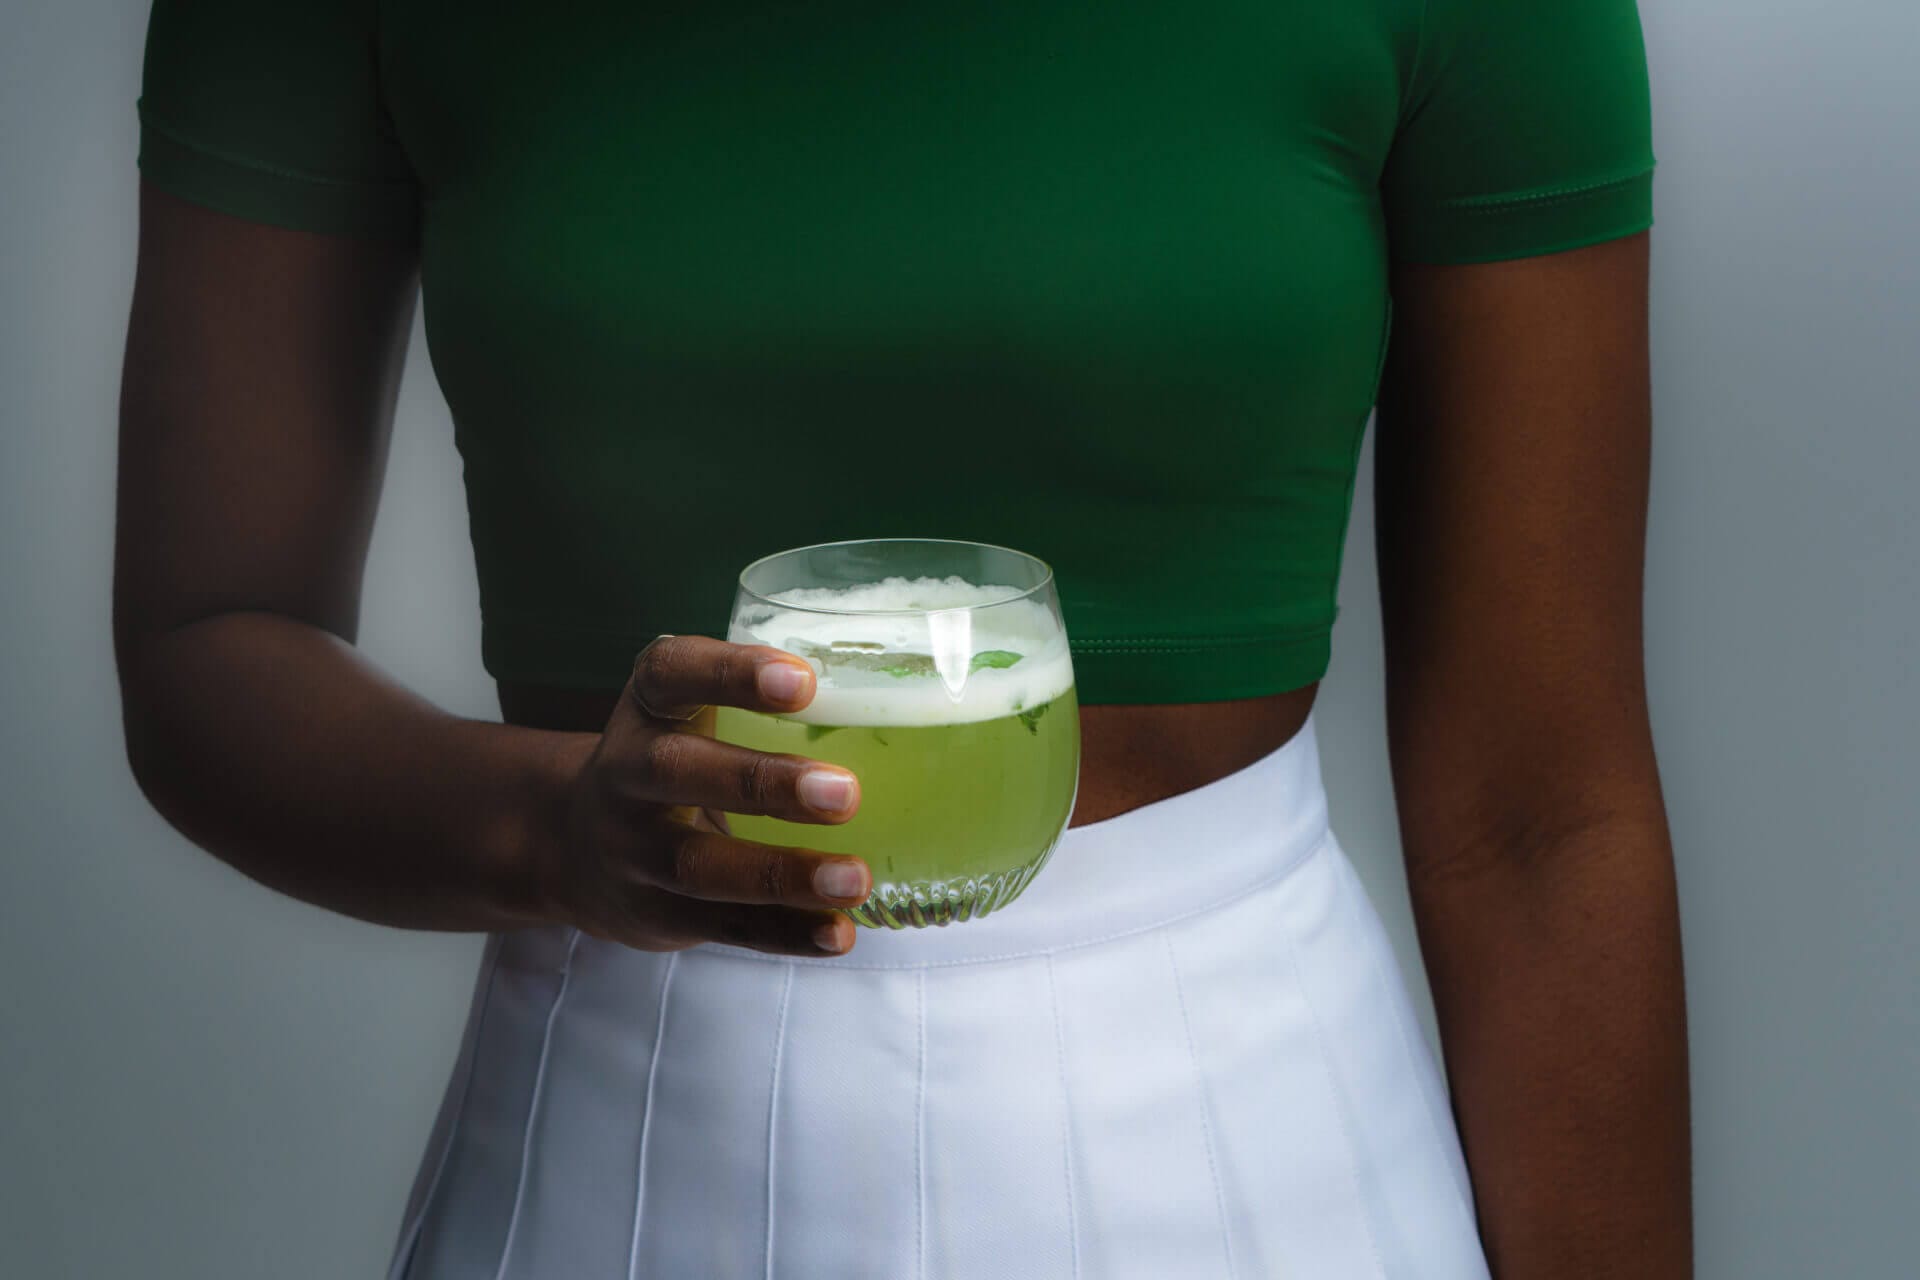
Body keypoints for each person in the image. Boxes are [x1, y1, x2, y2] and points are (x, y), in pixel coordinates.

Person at [115, 1, 1690, 1276]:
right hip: (622, 1141)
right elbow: (207, 639)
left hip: (1263, 1152)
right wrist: (552, 829)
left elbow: (1541, 811)